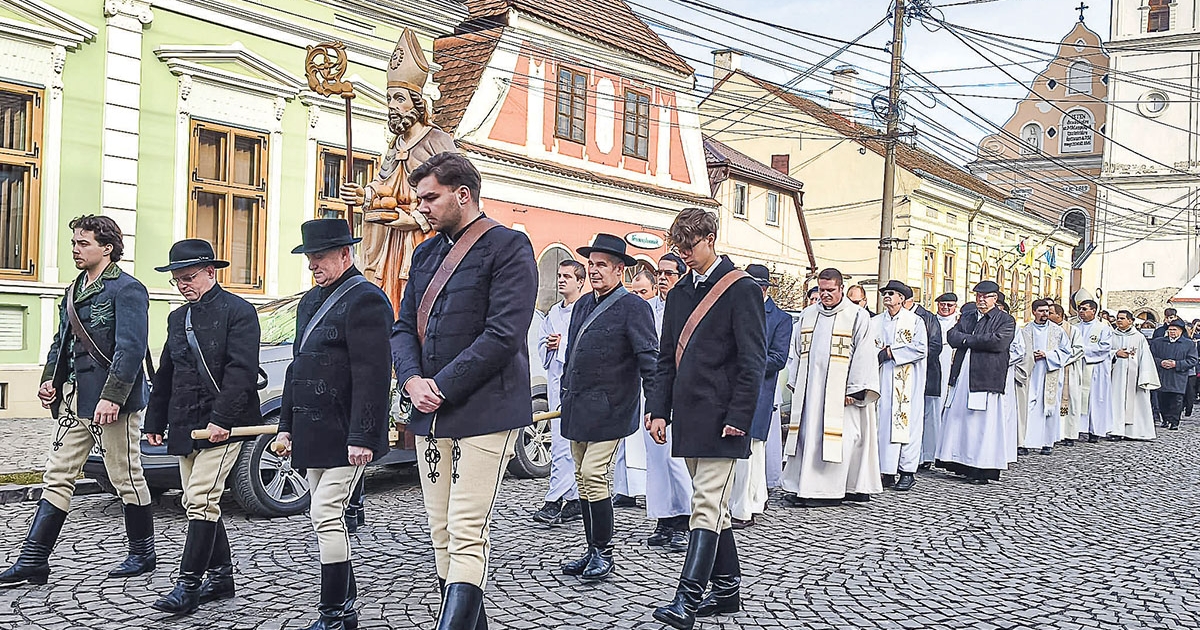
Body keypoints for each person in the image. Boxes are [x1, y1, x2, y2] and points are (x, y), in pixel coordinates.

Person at [391, 152, 538, 629]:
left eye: (430, 197)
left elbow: (503, 334)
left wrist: (441, 385)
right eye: (419, 199)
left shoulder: (510, 246)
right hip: (430, 412)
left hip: (486, 409)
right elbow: (402, 329)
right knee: (439, 532)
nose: (422, 208)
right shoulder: (425, 253)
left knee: (466, 530)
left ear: (463, 194)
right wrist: (412, 380)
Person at [1, 215, 155, 588]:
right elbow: (62, 342)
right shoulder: (73, 290)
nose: (75, 248)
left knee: (126, 476)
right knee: (57, 475)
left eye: (84, 243)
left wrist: (112, 398)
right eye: (74, 242)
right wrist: (49, 380)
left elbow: (130, 350)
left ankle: (142, 553)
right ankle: (34, 561)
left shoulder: (127, 289)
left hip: (111, 402)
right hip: (74, 399)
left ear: (108, 247)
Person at [646, 208, 766, 629]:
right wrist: (659, 409)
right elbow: (666, 359)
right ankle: (728, 590)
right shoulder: (678, 294)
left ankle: (687, 598)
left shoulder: (741, 289)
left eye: (691, 246)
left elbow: (753, 360)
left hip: (723, 417)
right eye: (679, 249)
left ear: (711, 238)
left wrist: (740, 415)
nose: (686, 256)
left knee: (704, 506)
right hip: (689, 416)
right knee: (716, 509)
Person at [273, 219, 392, 630]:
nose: (313, 266)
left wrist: (363, 435)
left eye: (320, 257)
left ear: (346, 254)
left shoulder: (368, 300)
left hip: (346, 431)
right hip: (313, 430)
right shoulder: (309, 302)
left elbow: (374, 374)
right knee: (327, 517)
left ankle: (334, 614)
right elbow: (296, 367)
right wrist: (284, 425)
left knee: (324, 513)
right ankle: (348, 601)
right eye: (309, 258)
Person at [143, 240, 261, 614]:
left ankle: (188, 586)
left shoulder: (239, 312)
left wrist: (222, 420)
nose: (183, 285)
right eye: (177, 280)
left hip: (226, 423)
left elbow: (241, 372)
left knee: (199, 500)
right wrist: (155, 419)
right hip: (185, 423)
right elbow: (167, 372)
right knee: (199, 502)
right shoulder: (178, 318)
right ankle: (222, 578)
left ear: (211, 271)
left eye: (189, 277)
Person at [559, 234, 657, 582]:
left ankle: (605, 552)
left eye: (601, 265)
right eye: (591, 264)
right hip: (578, 405)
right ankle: (591, 550)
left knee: (592, 476)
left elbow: (649, 359)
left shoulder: (635, 307)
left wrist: (657, 406)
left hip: (612, 407)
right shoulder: (584, 305)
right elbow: (572, 352)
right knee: (583, 481)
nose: (595, 270)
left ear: (620, 270)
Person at [340, 29, 457, 312]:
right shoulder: (395, 143)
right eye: (390, 98)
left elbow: (454, 191)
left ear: (416, 103)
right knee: (388, 298)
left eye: (399, 99)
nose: (392, 106)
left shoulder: (436, 140)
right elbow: (385, 181)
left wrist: (417, 219)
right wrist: (364, 195)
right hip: (392, 240)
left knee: (416, 296)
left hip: (423, 237)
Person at [781, 268, 880, 507]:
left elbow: (866, 354)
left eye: (830, 291)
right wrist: (795, 383)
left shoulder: (857, 316)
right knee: (807, 436)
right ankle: (804, 485)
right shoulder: (807, 315)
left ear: (841, 288)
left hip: (841, 394)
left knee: (843, 439)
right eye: (821, 290)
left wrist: (853, 390)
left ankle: (832, 489)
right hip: (810, 391)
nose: (825, 295)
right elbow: (795, 353)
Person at [729, 265, 792, 527]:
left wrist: (745, 361)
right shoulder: (736, 310)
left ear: (763, 289)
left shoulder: (779, 318)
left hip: (758, 390)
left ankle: (744, 508)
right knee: (739, 451)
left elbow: (777, 358)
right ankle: (755, 497)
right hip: (732, 389)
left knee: (751, 451)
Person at [937, 281, 1016, 485]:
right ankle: (961, 463)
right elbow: (952, 336)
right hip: (963, 374)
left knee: (982, 424)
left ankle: (981, 467)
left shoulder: (1005, 319)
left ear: (995, 299)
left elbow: (998, 342)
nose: (981, 300)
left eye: (986, 296)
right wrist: (975, 339)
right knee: (960, 420)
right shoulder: (969, 316)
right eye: (978, 296)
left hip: (986, 377)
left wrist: (969, 340)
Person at [644, 252, 693, 551]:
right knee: (657, 461)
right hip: (652, 390)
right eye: (659, 273)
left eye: (669, 274)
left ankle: (685, 518)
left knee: (677, 461)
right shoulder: (646, 308)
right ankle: (664, 516)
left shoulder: (688, 306)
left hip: (680, 391)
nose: (662, 278)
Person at [532, 260, 586, 526]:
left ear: (580, 282)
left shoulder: (585, 310)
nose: (562, 280)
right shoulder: (553, 312)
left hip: (574, 383)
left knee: (566, 444)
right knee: (560, 441)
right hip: (555, 380)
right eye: (560, 275)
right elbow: (542, 341)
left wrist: (562, 343)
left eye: (567, 276)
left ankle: (553, 501)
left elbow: (585, 343)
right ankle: (574, 500)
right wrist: (549, 344)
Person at [871, 281, 927, 492]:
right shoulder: (875, 321)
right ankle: (885, 471)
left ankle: (907, 471)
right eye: (885, 293)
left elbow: (920, 348)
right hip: (882, 378)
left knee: (906, 425)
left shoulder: (914, 321)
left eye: (891, 293)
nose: (887, 296)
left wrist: (891, 352)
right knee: (882, 425)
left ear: (902, 299)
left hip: (906, 381)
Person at [1014, 299, 1071, 456]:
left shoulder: (1057, 331)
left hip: (1049, 371)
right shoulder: (1025, 330)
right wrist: (1031, 356)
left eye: (1047, 311)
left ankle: (1047, 442)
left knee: (1048, 407)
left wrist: (1047, 355)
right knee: (1028, 406)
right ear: (1034, 312)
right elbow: (1018, 350)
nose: (1045, 314)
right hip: (1031, 374)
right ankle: (1024, 441)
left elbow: (1067, 352)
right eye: (1041, 311)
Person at [1110, 310, 1160, 441]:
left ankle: (1135, 432)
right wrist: (1115, 353)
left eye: (1122, 318)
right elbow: (1105, 352)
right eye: (1117, 318)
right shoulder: (1111, 335)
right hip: (1115, 376)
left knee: (1136, 403)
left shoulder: (1139, 337)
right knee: (1116, 402)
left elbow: (1146, 358)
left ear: (1130, 321)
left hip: (1134, 378)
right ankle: (1115, 431)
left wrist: (1145, 377)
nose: (1119, 320)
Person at [922, 293, 957, 468]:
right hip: (933, 367)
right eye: (942, 305)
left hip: (950, 365)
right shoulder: (929, 320)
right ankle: (928, 452)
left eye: (949, 305)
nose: (945, 308)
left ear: (955, 307)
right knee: (932, 410)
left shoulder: (959, 323)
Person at [1076, 300, 1114, 443]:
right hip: (1078, 367)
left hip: (1096, 369)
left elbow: (1104, 348)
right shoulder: (1075, 328)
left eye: (1084, 309)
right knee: (1077, 397)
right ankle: (1076, 429)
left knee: (1096, 399)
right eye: (1080, 309)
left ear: (1094, 311)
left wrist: (1082, 351)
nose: (1081, 312)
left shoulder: (1103, 328)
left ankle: (1095, 430)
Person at [1149, 321, 1198, 431]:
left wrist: (1177, 364)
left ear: (1180, 331)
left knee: (1177, 400)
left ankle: (1174, 421)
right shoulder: (1158, 342)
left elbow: (1192, 360)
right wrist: (1160, 362)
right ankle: (1165, 419)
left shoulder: (1188, 344)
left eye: (1174, 330)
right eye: (1170, 330)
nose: (1172, 332)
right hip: (1162, 374)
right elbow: (1151, 356)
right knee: (1162, 398)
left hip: (1178, 376)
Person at [1050, 304, 1084, 446]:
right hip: (1050, 369)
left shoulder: (1073, 330)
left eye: (1050, 312)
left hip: (1068, 370)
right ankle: (1053, 434)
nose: (1047, 315)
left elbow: (1079, 349)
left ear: (1059, 315)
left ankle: (1069, 434)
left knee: (1071, 401)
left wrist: (1060, 359)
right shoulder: (1047, 329)